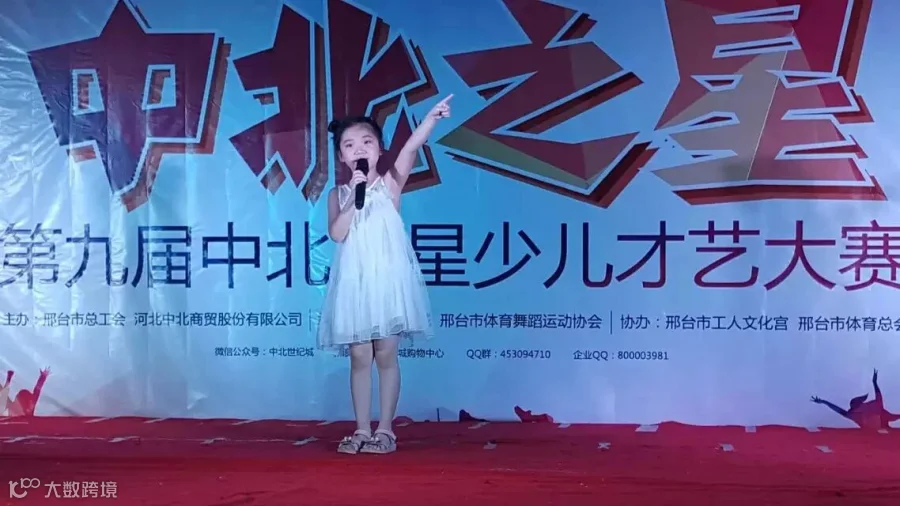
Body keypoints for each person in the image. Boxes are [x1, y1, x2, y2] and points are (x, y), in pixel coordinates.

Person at [316, 95, 453, 454]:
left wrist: (431, 118)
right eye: (349, 145)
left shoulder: (391, 183)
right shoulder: (337, 194)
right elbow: (338, 234)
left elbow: (411, 147)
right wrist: (353, 196)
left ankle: (386, 430)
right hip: (355, 284)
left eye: (367, 142)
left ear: (379, 149)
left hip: (388, 283)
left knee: (386, 355)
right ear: (341, 156)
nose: (359, 149)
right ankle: (361, 429)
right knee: (360, 356)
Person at [811, 369, 900, 430]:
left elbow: (878, 396)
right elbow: (839, 410)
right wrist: (824, 402)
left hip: (881, 425)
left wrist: (874, 383)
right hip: (874, 431)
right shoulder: (855, 414)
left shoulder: (870, 407)